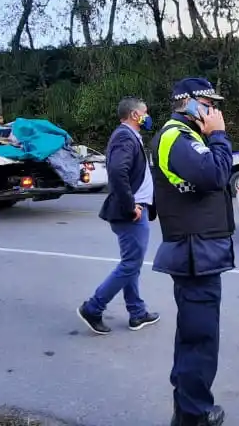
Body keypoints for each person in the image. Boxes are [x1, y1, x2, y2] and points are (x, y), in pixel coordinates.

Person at [150, 77, 235, 426]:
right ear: (188, 103)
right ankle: (195, 413)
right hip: (194, 253)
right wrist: (219, 136)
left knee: (193, 336)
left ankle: (187, 409)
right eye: (209, 104)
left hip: (198, 250)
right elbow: (215, 175)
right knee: (199, 339)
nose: (214, 111)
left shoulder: (187, 137)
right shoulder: (177, 136)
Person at [78, 97, 161, 335]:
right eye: (145, 112)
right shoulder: (124, 136)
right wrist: (130, 205)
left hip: (136, 210)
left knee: (131, 263)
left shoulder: (131, 136)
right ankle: (93, 308)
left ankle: (137, 312)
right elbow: (117, 171)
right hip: (132, 213)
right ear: (135, 115)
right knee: (130, 264)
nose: (147, 116)